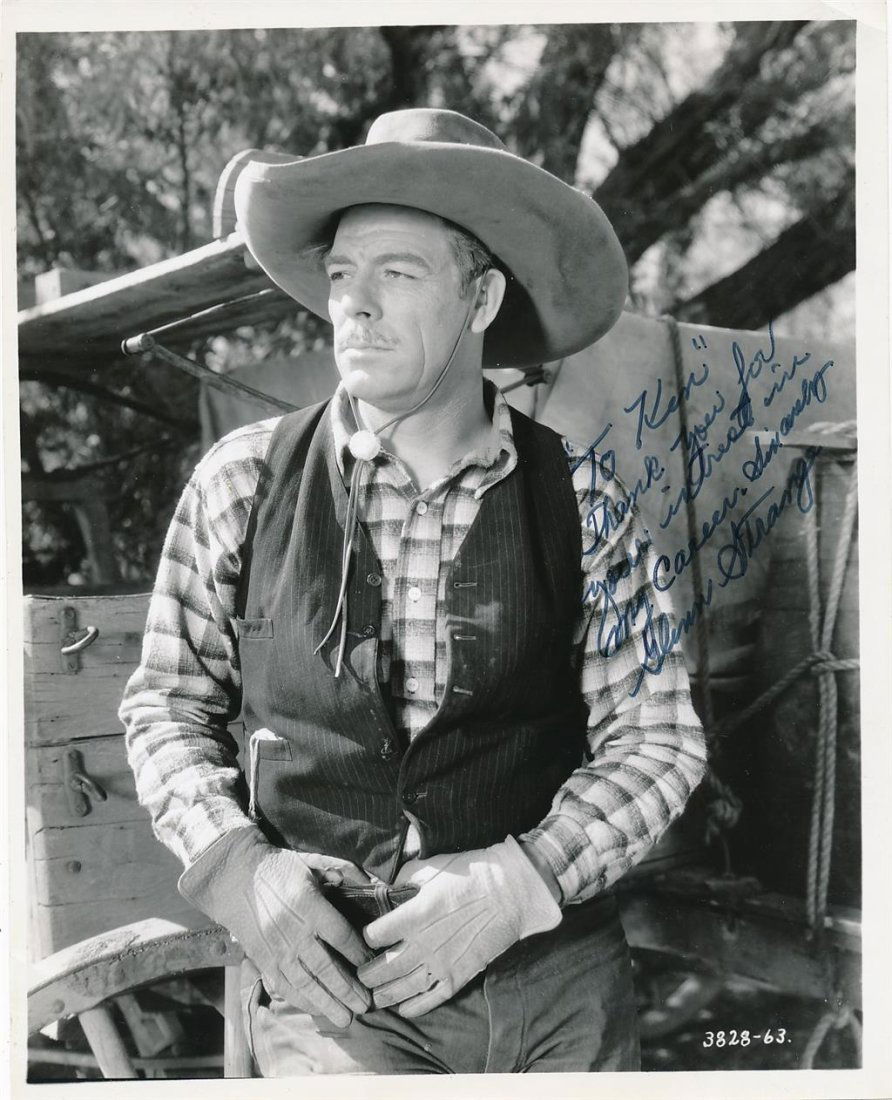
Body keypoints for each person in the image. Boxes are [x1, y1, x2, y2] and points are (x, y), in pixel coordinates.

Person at [120, 107, 707, 1076]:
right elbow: (165, 705)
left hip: (555, 990)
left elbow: (658, 732)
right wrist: (238, 871)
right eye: (342, 275)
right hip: (337, 995)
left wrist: (520, 881)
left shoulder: (586, 499)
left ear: (480, 302)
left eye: (396, 273)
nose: (353, 304)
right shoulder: (242, 481)